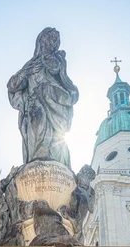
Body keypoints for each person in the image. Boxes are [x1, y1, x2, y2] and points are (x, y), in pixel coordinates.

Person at [7, 27, 79, 169]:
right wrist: (26, 73)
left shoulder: (57, 60)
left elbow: (58, 72)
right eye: (49, 39)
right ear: (41, 41)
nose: (52, 43)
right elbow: (12, 85)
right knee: (36, 127)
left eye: (55, 41)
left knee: (57, 138)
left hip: (55, 102)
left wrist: (50, 61)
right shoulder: (30, 64)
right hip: (35, 103)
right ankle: (37, 160)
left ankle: (56, 164)